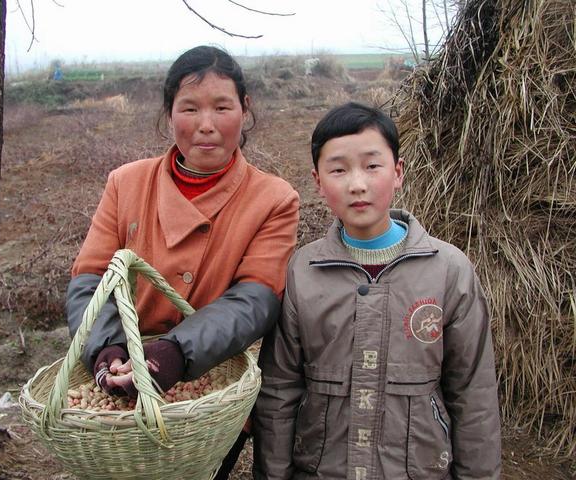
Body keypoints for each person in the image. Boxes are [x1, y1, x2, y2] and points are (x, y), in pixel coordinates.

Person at [66, 45, 299, 478]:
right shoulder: (126, 183)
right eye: (189, 108)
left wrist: (174, 354)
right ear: (169, 112)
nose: (206, 126)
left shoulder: (273, 199)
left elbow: (256, 298)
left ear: (244, 109)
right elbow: (89, 278)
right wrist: (109, 350)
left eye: (222, 107)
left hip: (210, 384)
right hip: (120, 377)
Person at [253, 102, 501, 479]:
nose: (357, 184)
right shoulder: (301, 272)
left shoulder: (449, 271)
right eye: (338, 169)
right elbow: (279, 392)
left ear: (398, 172)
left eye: (372, 166)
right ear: (318, 181)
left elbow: (474, 394)